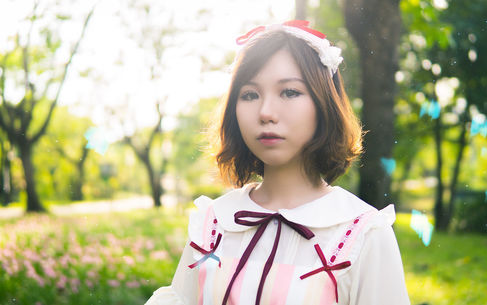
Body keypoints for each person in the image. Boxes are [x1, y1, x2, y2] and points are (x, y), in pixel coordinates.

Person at [145, 20, 410, 305]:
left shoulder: (361, 234)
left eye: (289, 92)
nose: (266, 112)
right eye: (249, 95)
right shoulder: (214, 223)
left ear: (324, 104)